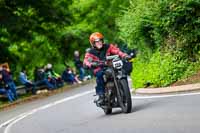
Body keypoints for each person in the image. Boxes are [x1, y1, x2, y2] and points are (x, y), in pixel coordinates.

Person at [83, 32, 130, 104]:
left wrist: (124, 55)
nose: (99, 43)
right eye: (97, 42)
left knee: (122, 71)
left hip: (111, 66)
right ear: (93, 43)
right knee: (100, 75)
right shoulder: (90, 52)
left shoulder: (108, 47)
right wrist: (90, 64)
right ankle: (101, 95)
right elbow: (86, 60)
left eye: (100, 41)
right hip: (99, 68)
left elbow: (117, 51)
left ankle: (125, 91)